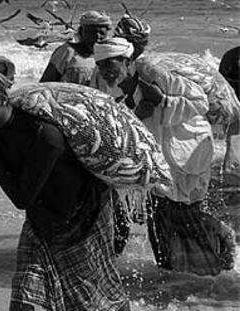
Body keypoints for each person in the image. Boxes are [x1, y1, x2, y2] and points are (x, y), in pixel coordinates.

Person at [0, 56, 130, 310]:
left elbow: (21, 198)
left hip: (84, 219)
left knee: (97, 303)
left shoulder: (44, 133)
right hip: (41, 225)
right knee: (25, 304)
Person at [91, 38, 235, 275]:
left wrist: (163, 101)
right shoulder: (115, 84)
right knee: (159, 215)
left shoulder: (154, 74)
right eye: (101, 65)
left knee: (182, 213)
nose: (105, 71)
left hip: (187, 145)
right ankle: (171, 272)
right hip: (161, 152)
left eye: (110, 64)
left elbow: (199, 103)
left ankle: (220, 237)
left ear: (127, 61)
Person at [39, 10, 112, 85]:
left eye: (102, 33)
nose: (97, 37)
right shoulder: (67, 52)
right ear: (81, 32)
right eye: (91, 32)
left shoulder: (109, 57)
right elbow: (45, 84)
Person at [219, 46, 240, 173]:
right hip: (235, 105)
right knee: (233, 141)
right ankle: (229, 173)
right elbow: (220, 81)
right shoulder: (231, 56)